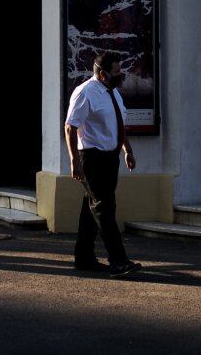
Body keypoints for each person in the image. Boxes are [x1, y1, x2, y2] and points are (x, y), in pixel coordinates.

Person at [64, 53, 142, 278]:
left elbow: (118, 124)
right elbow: (70, 127)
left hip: (110, 158)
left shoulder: (113, 92)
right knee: (104, 208)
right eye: (116, 72)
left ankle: (84, 257)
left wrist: (127, 150)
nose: (120, 76)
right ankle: (118, 260)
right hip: (91, 157)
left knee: (92, 207)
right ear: (102, 73)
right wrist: (74, 161)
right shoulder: (86, 92)